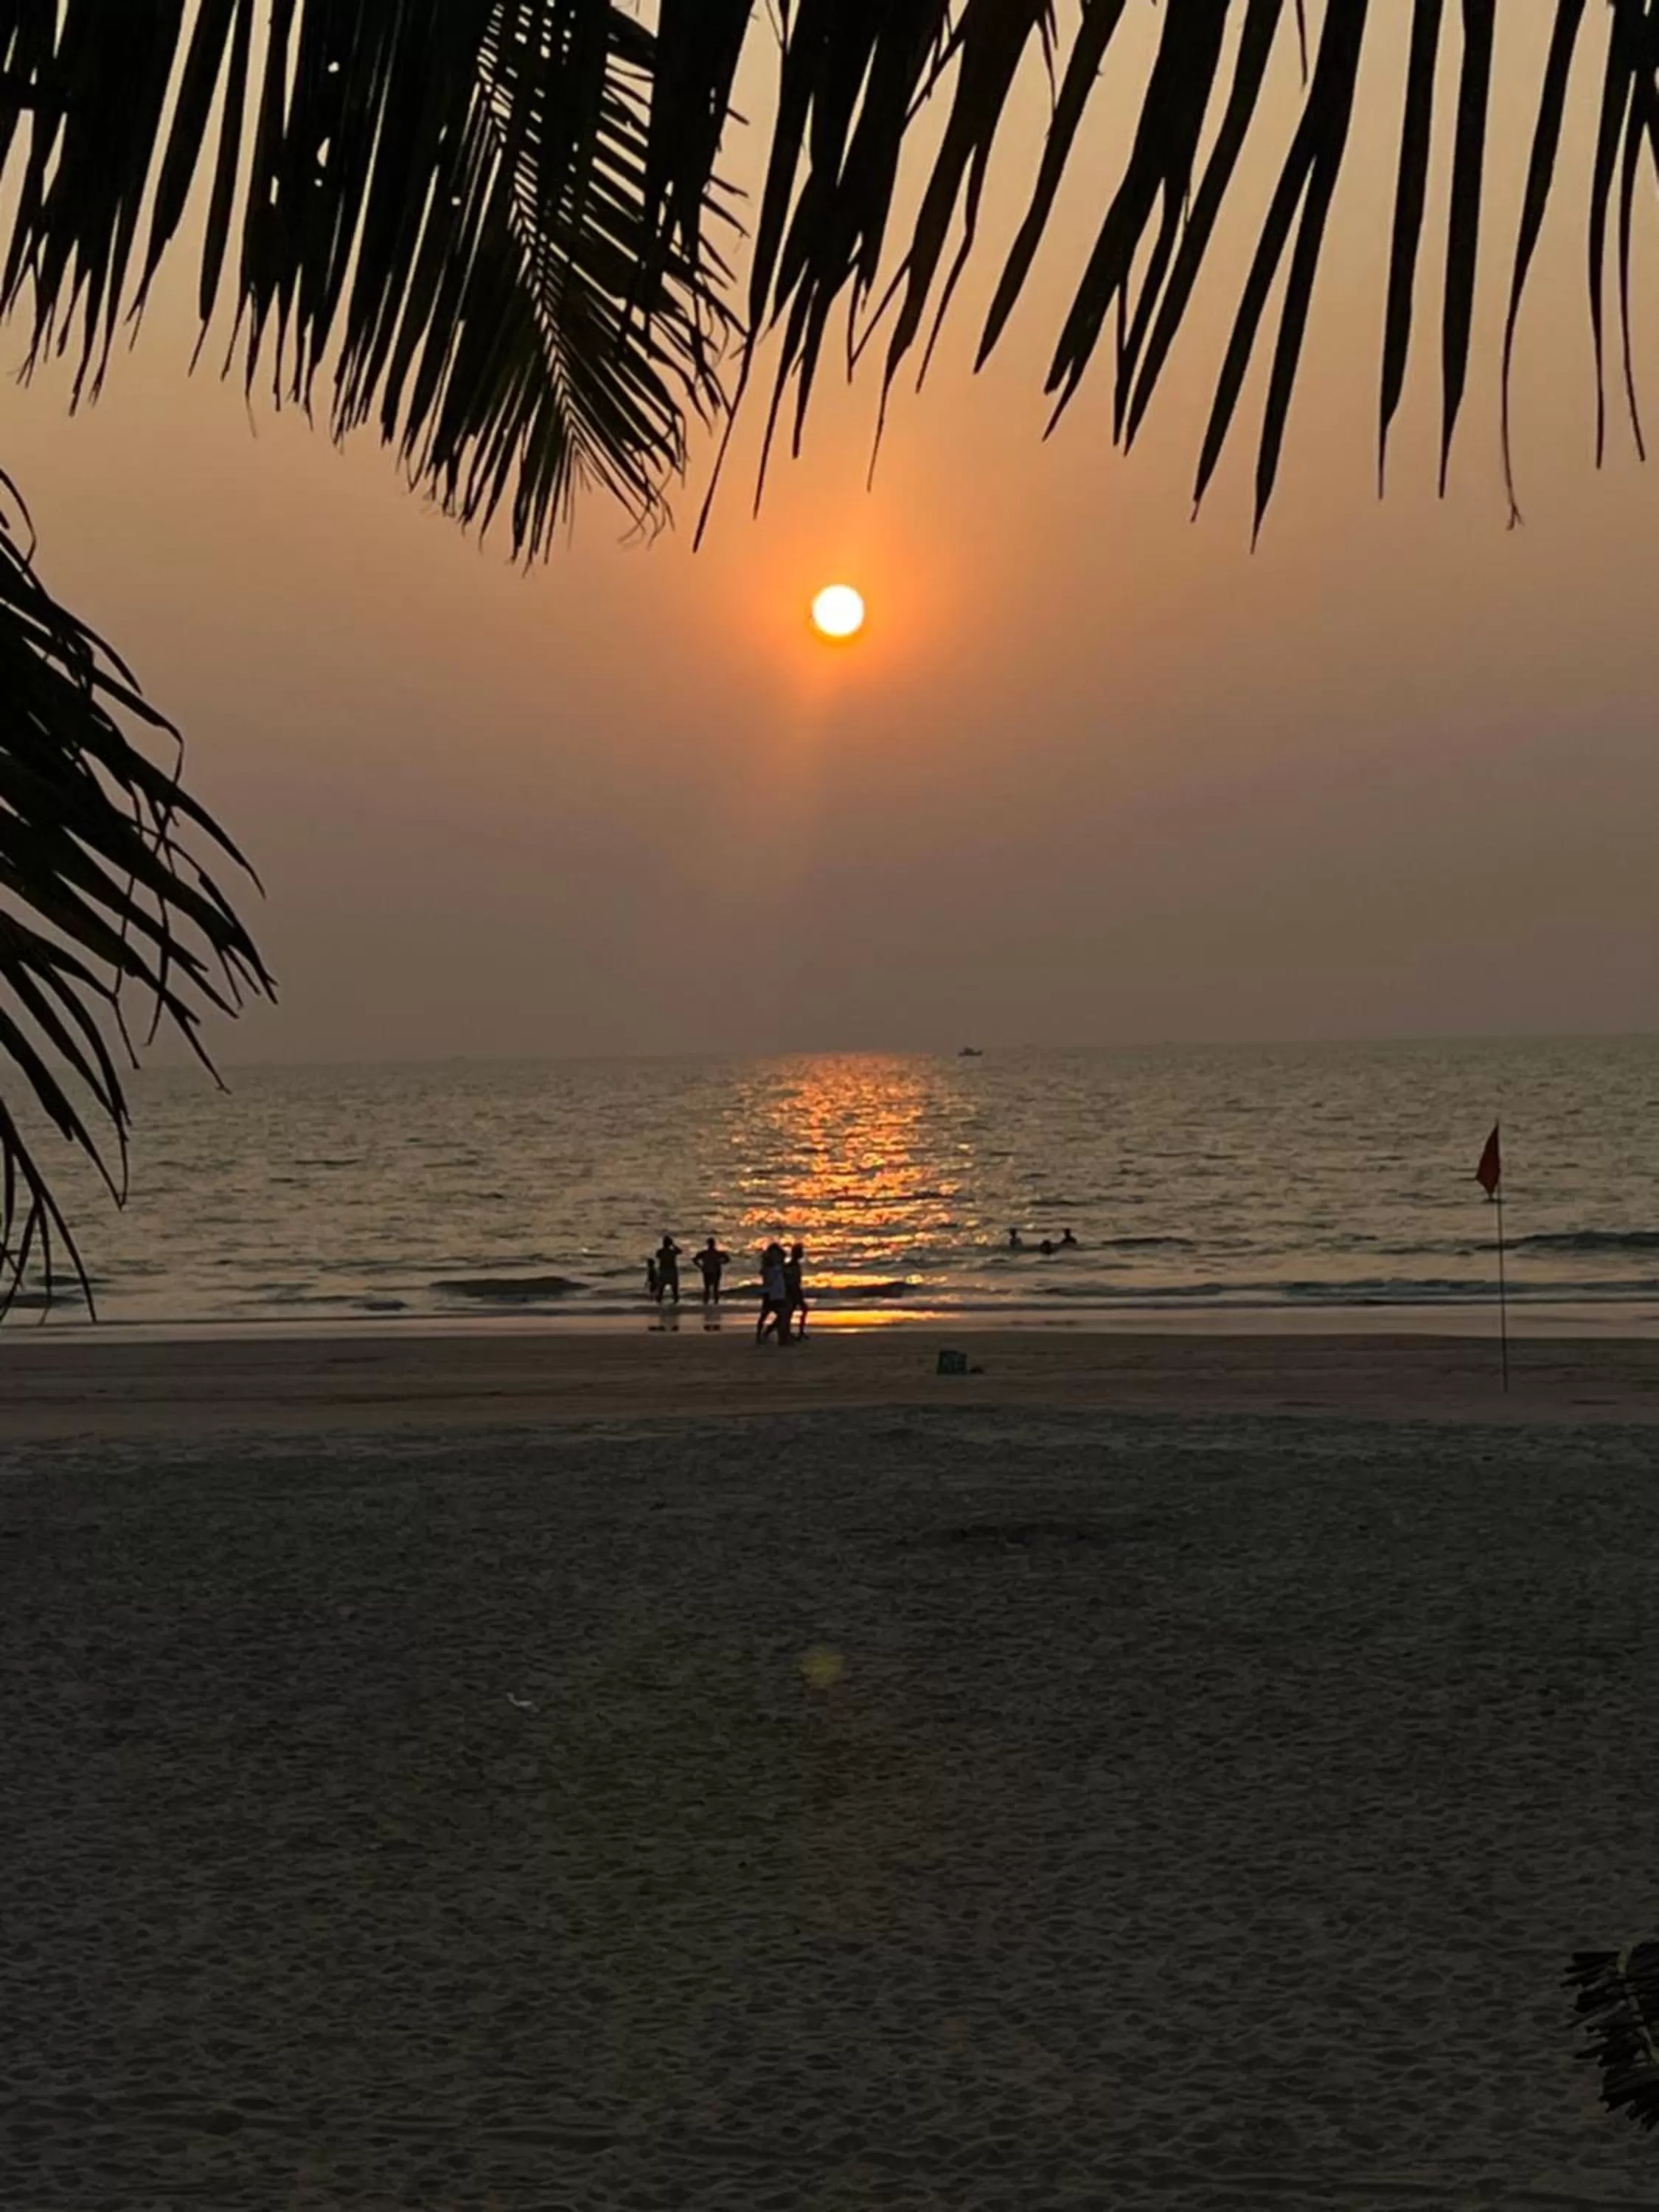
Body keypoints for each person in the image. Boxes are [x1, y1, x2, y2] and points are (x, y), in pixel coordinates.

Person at [757, 1240, 790, 1346]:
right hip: (770, 1294)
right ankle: (761, 1335)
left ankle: (769, 1333)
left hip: (779, 1293)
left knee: (782, 1314)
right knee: (765, 1315)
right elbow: (768, 1279)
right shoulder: (768, 1267)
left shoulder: (780, 1266)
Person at [784, 1241, 809, 1339]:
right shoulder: (792, 1265)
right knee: (792, 1312)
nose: (802, 1254)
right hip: (793, 1291)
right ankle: (797, 1332)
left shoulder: (794, 1264)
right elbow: (791, 1280)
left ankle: (798, 1332)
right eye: (801, 1252)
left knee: (792, 1312)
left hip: (794, 1290)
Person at [695, 1235, 729, 1304]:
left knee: (708, 1289)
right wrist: (721, 1262)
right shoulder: (717, 1253)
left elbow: (695, 1260)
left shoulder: (705, 1253)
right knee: (715, 1289)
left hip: (708, 1271)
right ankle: (714, 1303)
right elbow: (727, 1259)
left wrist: (701, 1266)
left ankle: (707, 1303)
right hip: (714, 1272)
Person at [655, 1234, 681, 1305]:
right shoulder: (672, 1252)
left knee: (661, 1290)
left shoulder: (660, 1252)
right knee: (674, 1290)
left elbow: (657, 1256)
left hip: (664, 1271)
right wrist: (673, 1245)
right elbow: (680, 1251)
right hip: (671, 1271)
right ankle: (675, 1304)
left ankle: (659, 1305)